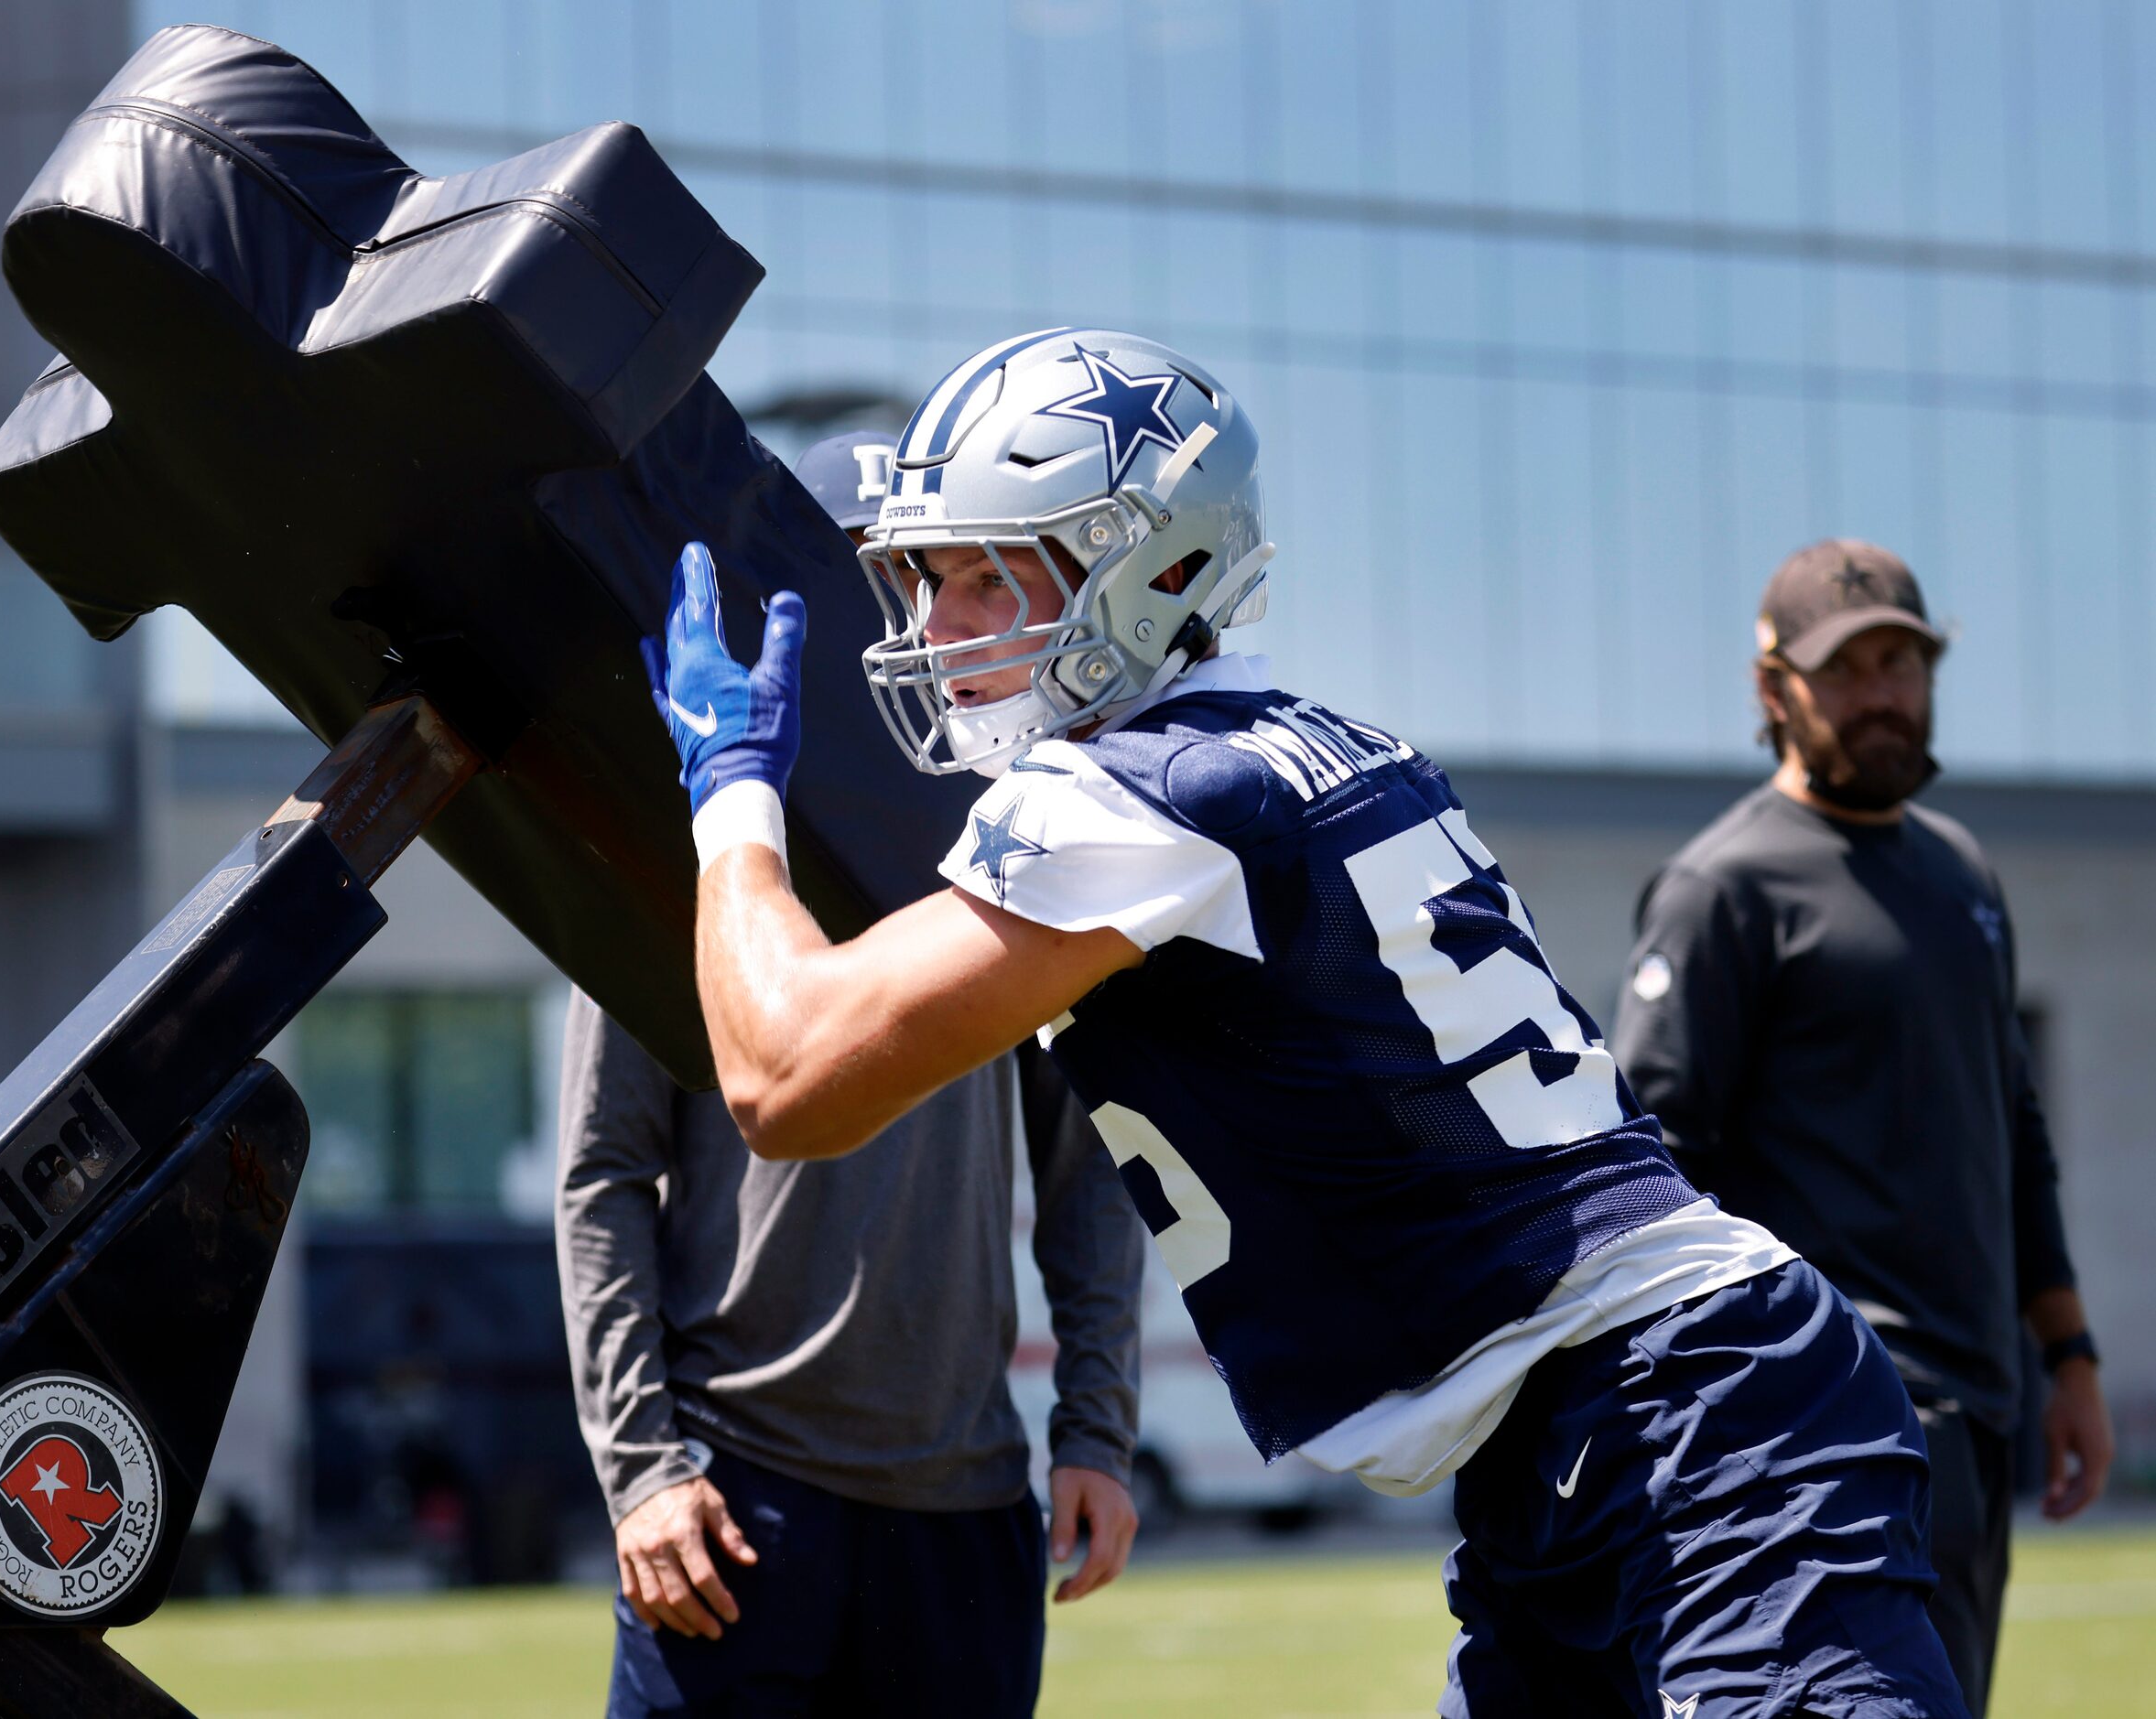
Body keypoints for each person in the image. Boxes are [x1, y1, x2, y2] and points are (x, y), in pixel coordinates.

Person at [637, 329, 1969, 1719]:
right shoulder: (1301, 741)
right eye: (930, 575)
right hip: (1596, 1422)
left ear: (1152, 567)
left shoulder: (1130, 792)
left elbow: (788, 1074)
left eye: (989, 573)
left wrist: (733, 799)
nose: (942, 624)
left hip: (1683, 1415)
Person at [559, 428, 1144, 1719]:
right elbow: (602, 1175)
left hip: (966, 1499)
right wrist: (644, 1467)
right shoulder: (698, 850)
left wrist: (1096, 1430)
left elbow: (1088, 1157)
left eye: (929, 583)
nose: (917, 619)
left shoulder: (1016, 836)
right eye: (881, 584)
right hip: (733, 1495)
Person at [1609, 539, 2114, 1716]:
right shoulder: (1721, 887)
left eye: (1904, 662)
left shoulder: (1964, 874)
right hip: (1827, 1423)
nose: (1884, 692)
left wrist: (2070, 1357)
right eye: (1850, 670)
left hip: (1980, 1416)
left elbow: (2016, 1128)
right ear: (1774, 688)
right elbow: (1653, 1168)